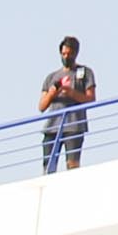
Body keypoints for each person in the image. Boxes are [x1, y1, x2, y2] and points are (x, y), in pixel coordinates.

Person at [40, 35, 99, 172]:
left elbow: (91, 99)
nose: (66, 57)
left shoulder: (85, 73)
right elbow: (41, 106)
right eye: (64, 54)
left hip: (74, 126)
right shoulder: (51, 77)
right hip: (52, 127)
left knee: (72, 165)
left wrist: (71, 93)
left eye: (69, 54)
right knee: (48, 166)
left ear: (76, 53)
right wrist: (53, 92)